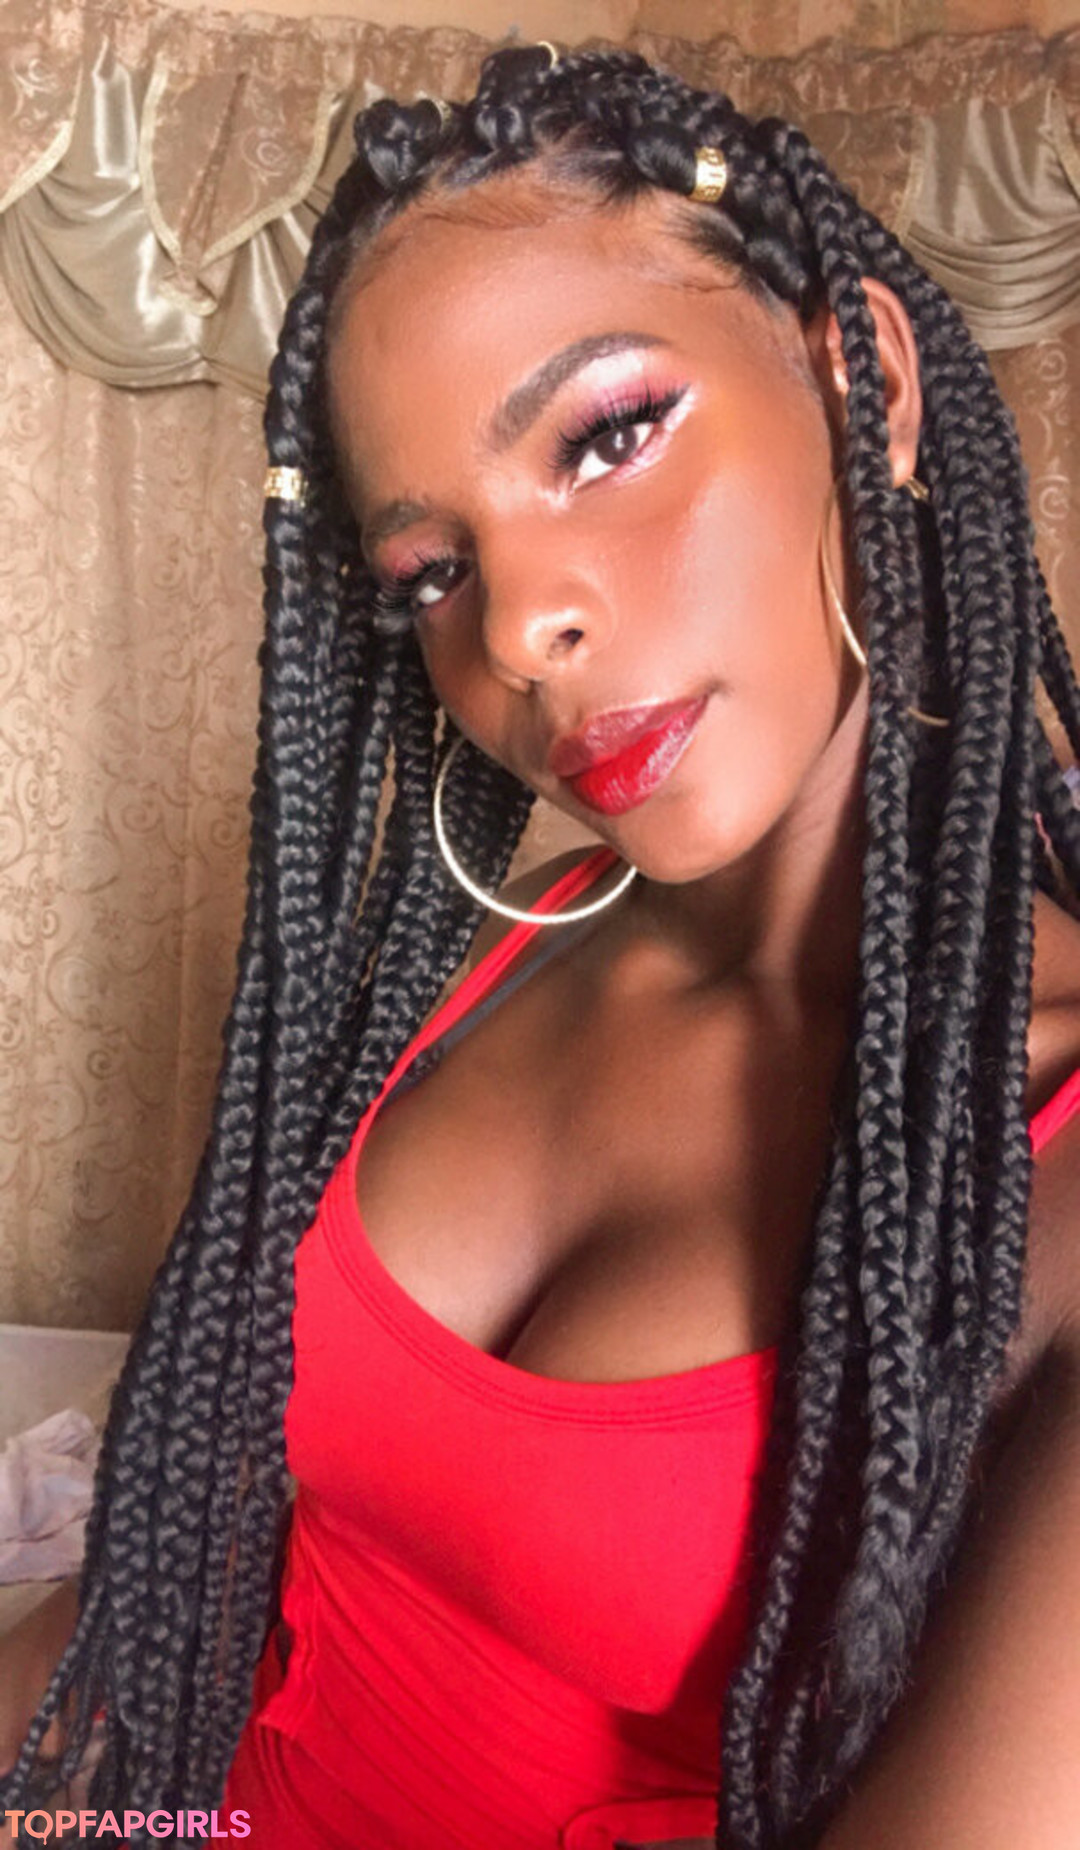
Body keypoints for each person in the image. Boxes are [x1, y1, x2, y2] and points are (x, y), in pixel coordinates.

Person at [3, 40, 1080, 1850]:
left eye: (606, 436)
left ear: (868, 383)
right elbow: (180, 1590)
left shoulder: (1048, 1175)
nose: (518, 626)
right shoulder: (506, 958)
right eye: (434, 569)